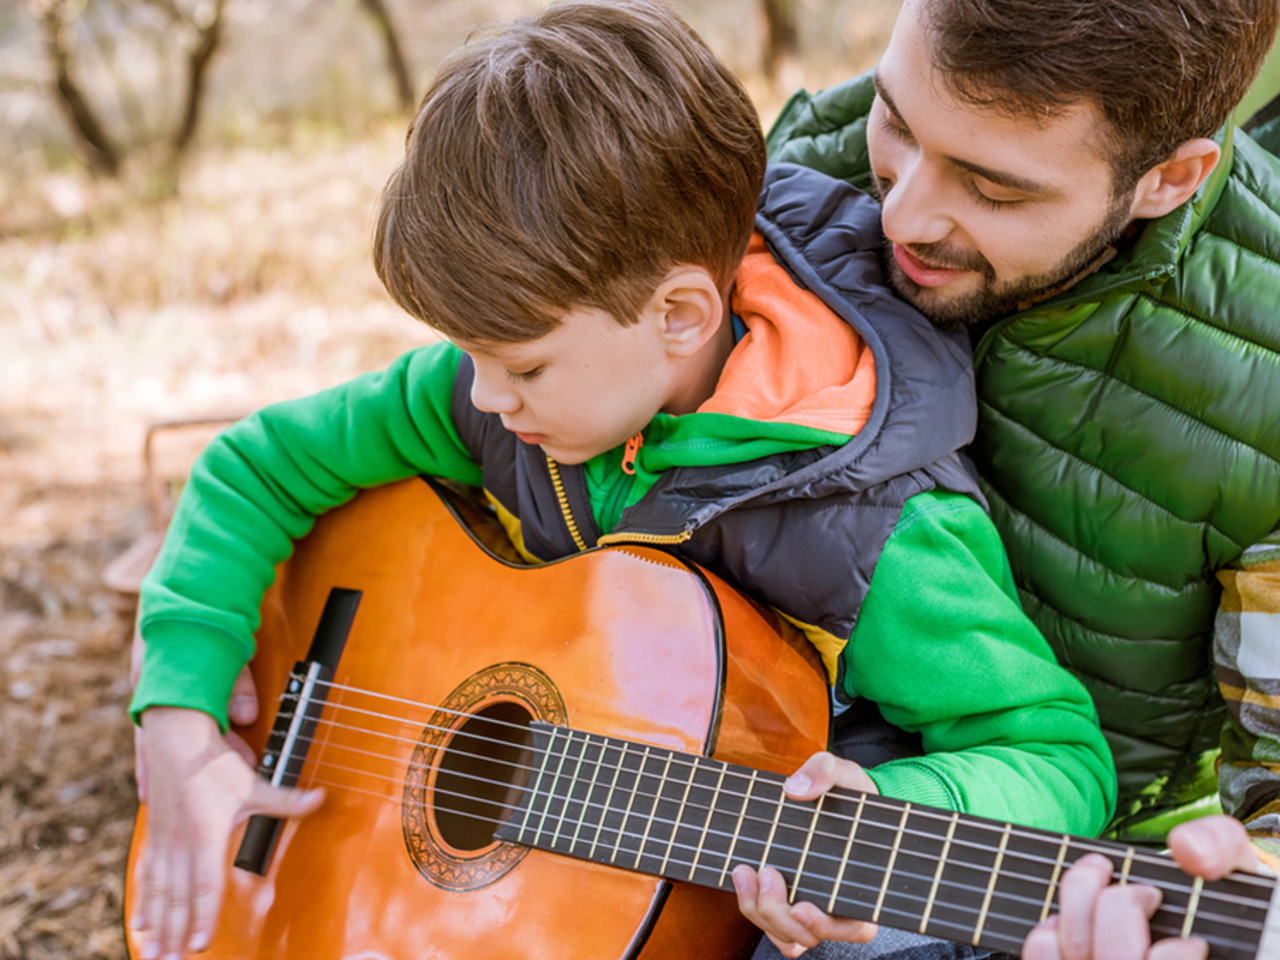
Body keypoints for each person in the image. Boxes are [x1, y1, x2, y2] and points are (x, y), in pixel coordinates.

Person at [126, 1, 1118, 958]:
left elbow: (1058, 761)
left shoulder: (875, 530)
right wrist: (178, 719)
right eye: (468, 355)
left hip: (741, 892)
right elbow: (252, 467)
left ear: (681, 316)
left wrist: (895, 815)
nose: (480, 397)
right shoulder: (506, 393)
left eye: (519, 365)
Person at [748, 0, 1280, 957]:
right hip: (723, 735)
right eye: (898, 121)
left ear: (1169, 178)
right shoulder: (806, 159)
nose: (901, 210)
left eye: (994, 190)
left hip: (1046, 869)